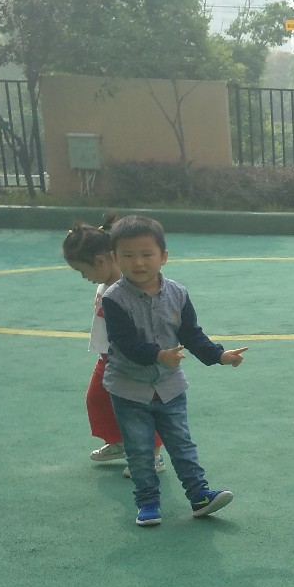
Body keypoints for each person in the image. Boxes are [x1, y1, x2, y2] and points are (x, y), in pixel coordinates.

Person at [100, 215, 245, 526]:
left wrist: (220, 355)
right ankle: (148, 503)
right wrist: (159, 355)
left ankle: (199, 495)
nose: (138, 262)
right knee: (140, 451)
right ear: (115, 258)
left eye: (146, 254)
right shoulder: (113, 298)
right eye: (128, 255)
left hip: (170, 387)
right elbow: (123, 342)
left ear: (163, 256)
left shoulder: (178, 293)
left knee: (182, 444)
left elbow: (192, 334)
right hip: (129, 389)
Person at [63, 217, 164, 477]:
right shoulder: (106, 282)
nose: (84, 277)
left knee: (137, 407)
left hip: (129, 360)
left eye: (83, 271)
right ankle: (121, 442)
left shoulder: (130, 288)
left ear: (101, 260)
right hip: (107, 356)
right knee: (97, 399)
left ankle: (152, 457)